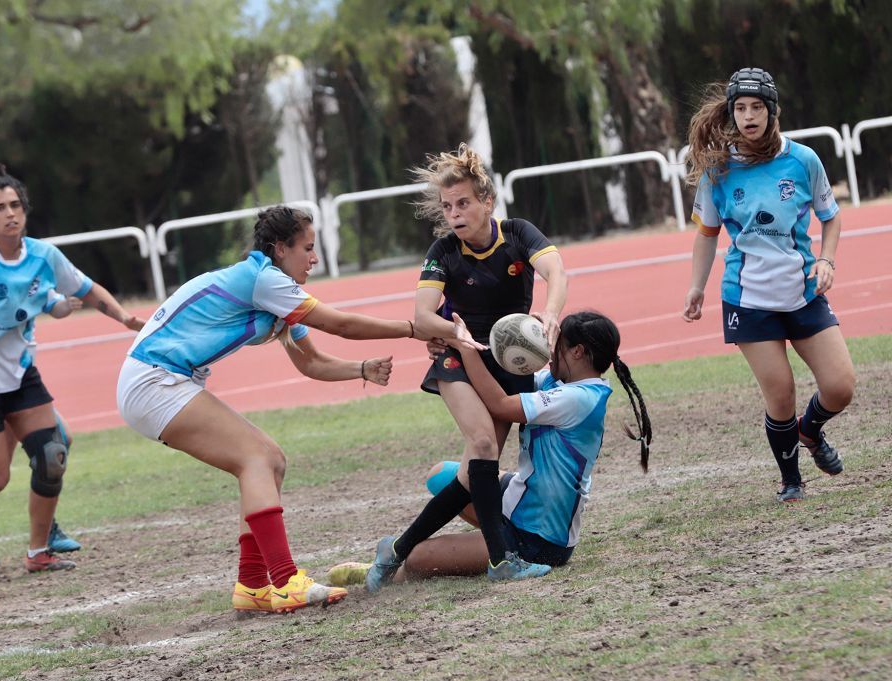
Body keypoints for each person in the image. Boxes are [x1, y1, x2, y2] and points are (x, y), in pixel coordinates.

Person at [116, 204, 428, 615]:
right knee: (256, 457)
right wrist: (412, 327)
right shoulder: (265, 280)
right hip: (153, 381)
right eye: (308, 248)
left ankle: (253, 585)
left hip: (161, 381)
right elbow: (341, 324)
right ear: (280, 248)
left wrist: (362, 369)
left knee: (271, 460)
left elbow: (310, 361)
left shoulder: (275, 288)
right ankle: (284, 580)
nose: (314, 258)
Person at [0, 163, 146, 572]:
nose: (10, 213)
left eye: (16, 205)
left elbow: (86, 290)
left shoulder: (42, 255)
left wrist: (123, 317)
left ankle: (38, 551)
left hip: (20, 376)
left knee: (52, 452)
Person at [365, 143, 569, 592]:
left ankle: (396, 549)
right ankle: (500, 560)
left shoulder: (517, 234)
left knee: (471, 471)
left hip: (510, 364)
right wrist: (453, 330)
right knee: (480, 441)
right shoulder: (443, 251)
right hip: (458, 357)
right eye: (447, 206)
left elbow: (557, 271)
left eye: (463, 203)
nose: (454, 214)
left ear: (487, 202)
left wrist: (550, 315)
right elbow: (422, 316)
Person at [330, 311, 651, 586]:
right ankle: (399, 553)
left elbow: (500, 404)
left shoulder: (581, 398)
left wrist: (464, 348)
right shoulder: (561, 382)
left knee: (418, 561)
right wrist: (450, 349)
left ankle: (386, 568)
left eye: (558, 346)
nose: (550, 352)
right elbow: (506, 374)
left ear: (578, 352)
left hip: (537, 540)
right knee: (442, 475)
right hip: (517, 502)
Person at [682, 67, 855, 503]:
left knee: (840, 386)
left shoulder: (803, 160)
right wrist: (696, 287)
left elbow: (831, 217)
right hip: (748, 299)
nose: (748, 116)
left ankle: (809, 431)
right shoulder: (717, 172)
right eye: (740, 108)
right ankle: (791, 481)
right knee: (780, 393)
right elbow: (706, 236)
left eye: (757, 107)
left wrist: (826, 261)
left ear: (772, 111)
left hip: (802, 292)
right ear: (731, 114)